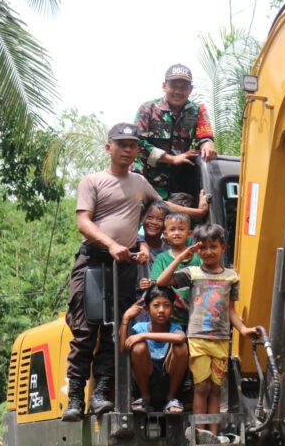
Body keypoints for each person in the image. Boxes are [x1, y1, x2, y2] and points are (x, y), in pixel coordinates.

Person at [62, 123, 208, 422]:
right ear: (109, 148)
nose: (128, 149)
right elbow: (84, 222)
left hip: (124, 266)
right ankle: (76, 397)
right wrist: (111, 243)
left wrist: (198, 214)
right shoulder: (93, 181)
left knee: (115, 330)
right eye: (122, 144)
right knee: (86, 330)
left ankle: (102, 393)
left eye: (132, 145)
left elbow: (162, 205)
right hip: (94, 262)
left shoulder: (139, 181)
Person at [156, 224, 257, 442]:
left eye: (214, 246)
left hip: (221, 339)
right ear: (197, 250)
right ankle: (198, 433)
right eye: (203, 248)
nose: (208, 252)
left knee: (215, 388)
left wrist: (244, 329)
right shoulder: (192, 273)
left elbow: (231, 310)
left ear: (223, 248)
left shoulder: (231, 277)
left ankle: (214, 434)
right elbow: (162, 281)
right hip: (198, 338)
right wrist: (183, 255)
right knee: (201, 386)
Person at [134, 64, 218, 199]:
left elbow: (204, 136)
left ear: (190, 89)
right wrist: (172, 159)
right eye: (173, 86)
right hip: (145, 181)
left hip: (178, 188)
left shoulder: (197, 111)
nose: (178, 91)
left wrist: (207, 143)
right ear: (164, 86)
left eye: (183, 87)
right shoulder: (147, 109)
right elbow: (137, 144)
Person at [120, 286, 188, 414]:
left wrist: (145, 336)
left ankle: (171, 399)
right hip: (146, 380)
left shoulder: (175, 327)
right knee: (138, 347)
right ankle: (145, 399)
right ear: (147, 308)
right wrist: (125, 319)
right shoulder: (140, 327)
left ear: (172, 309)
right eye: (156, 305)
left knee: (181, 347)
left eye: (166, 305)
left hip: (168, 380)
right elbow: (123, 348)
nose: (161, 310)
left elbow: (180, 338)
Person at [150, 213, 202, 329]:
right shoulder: (162, 258)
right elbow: (155, 282)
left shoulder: (198, 258)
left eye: (181, 229)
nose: (177, 233)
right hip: (170, 317)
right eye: (172, 229)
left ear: (189, 234)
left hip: (197, 315)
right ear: (165, 234)